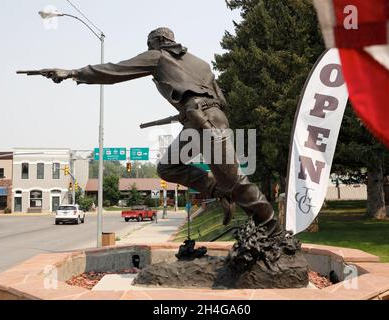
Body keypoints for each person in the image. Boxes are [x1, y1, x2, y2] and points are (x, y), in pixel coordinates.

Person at [39, 27, 279, 235]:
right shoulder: (201, 64)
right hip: (203, 119)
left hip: (204, 123)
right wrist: (188, 111)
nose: (148, 49)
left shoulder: (159, 56)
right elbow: (221, 101)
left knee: (236, 181)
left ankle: (272, 228)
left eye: (149, 44)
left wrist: (72, 73)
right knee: (168, 167)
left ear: (159, 41)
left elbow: (117, 70)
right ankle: (218, 191)